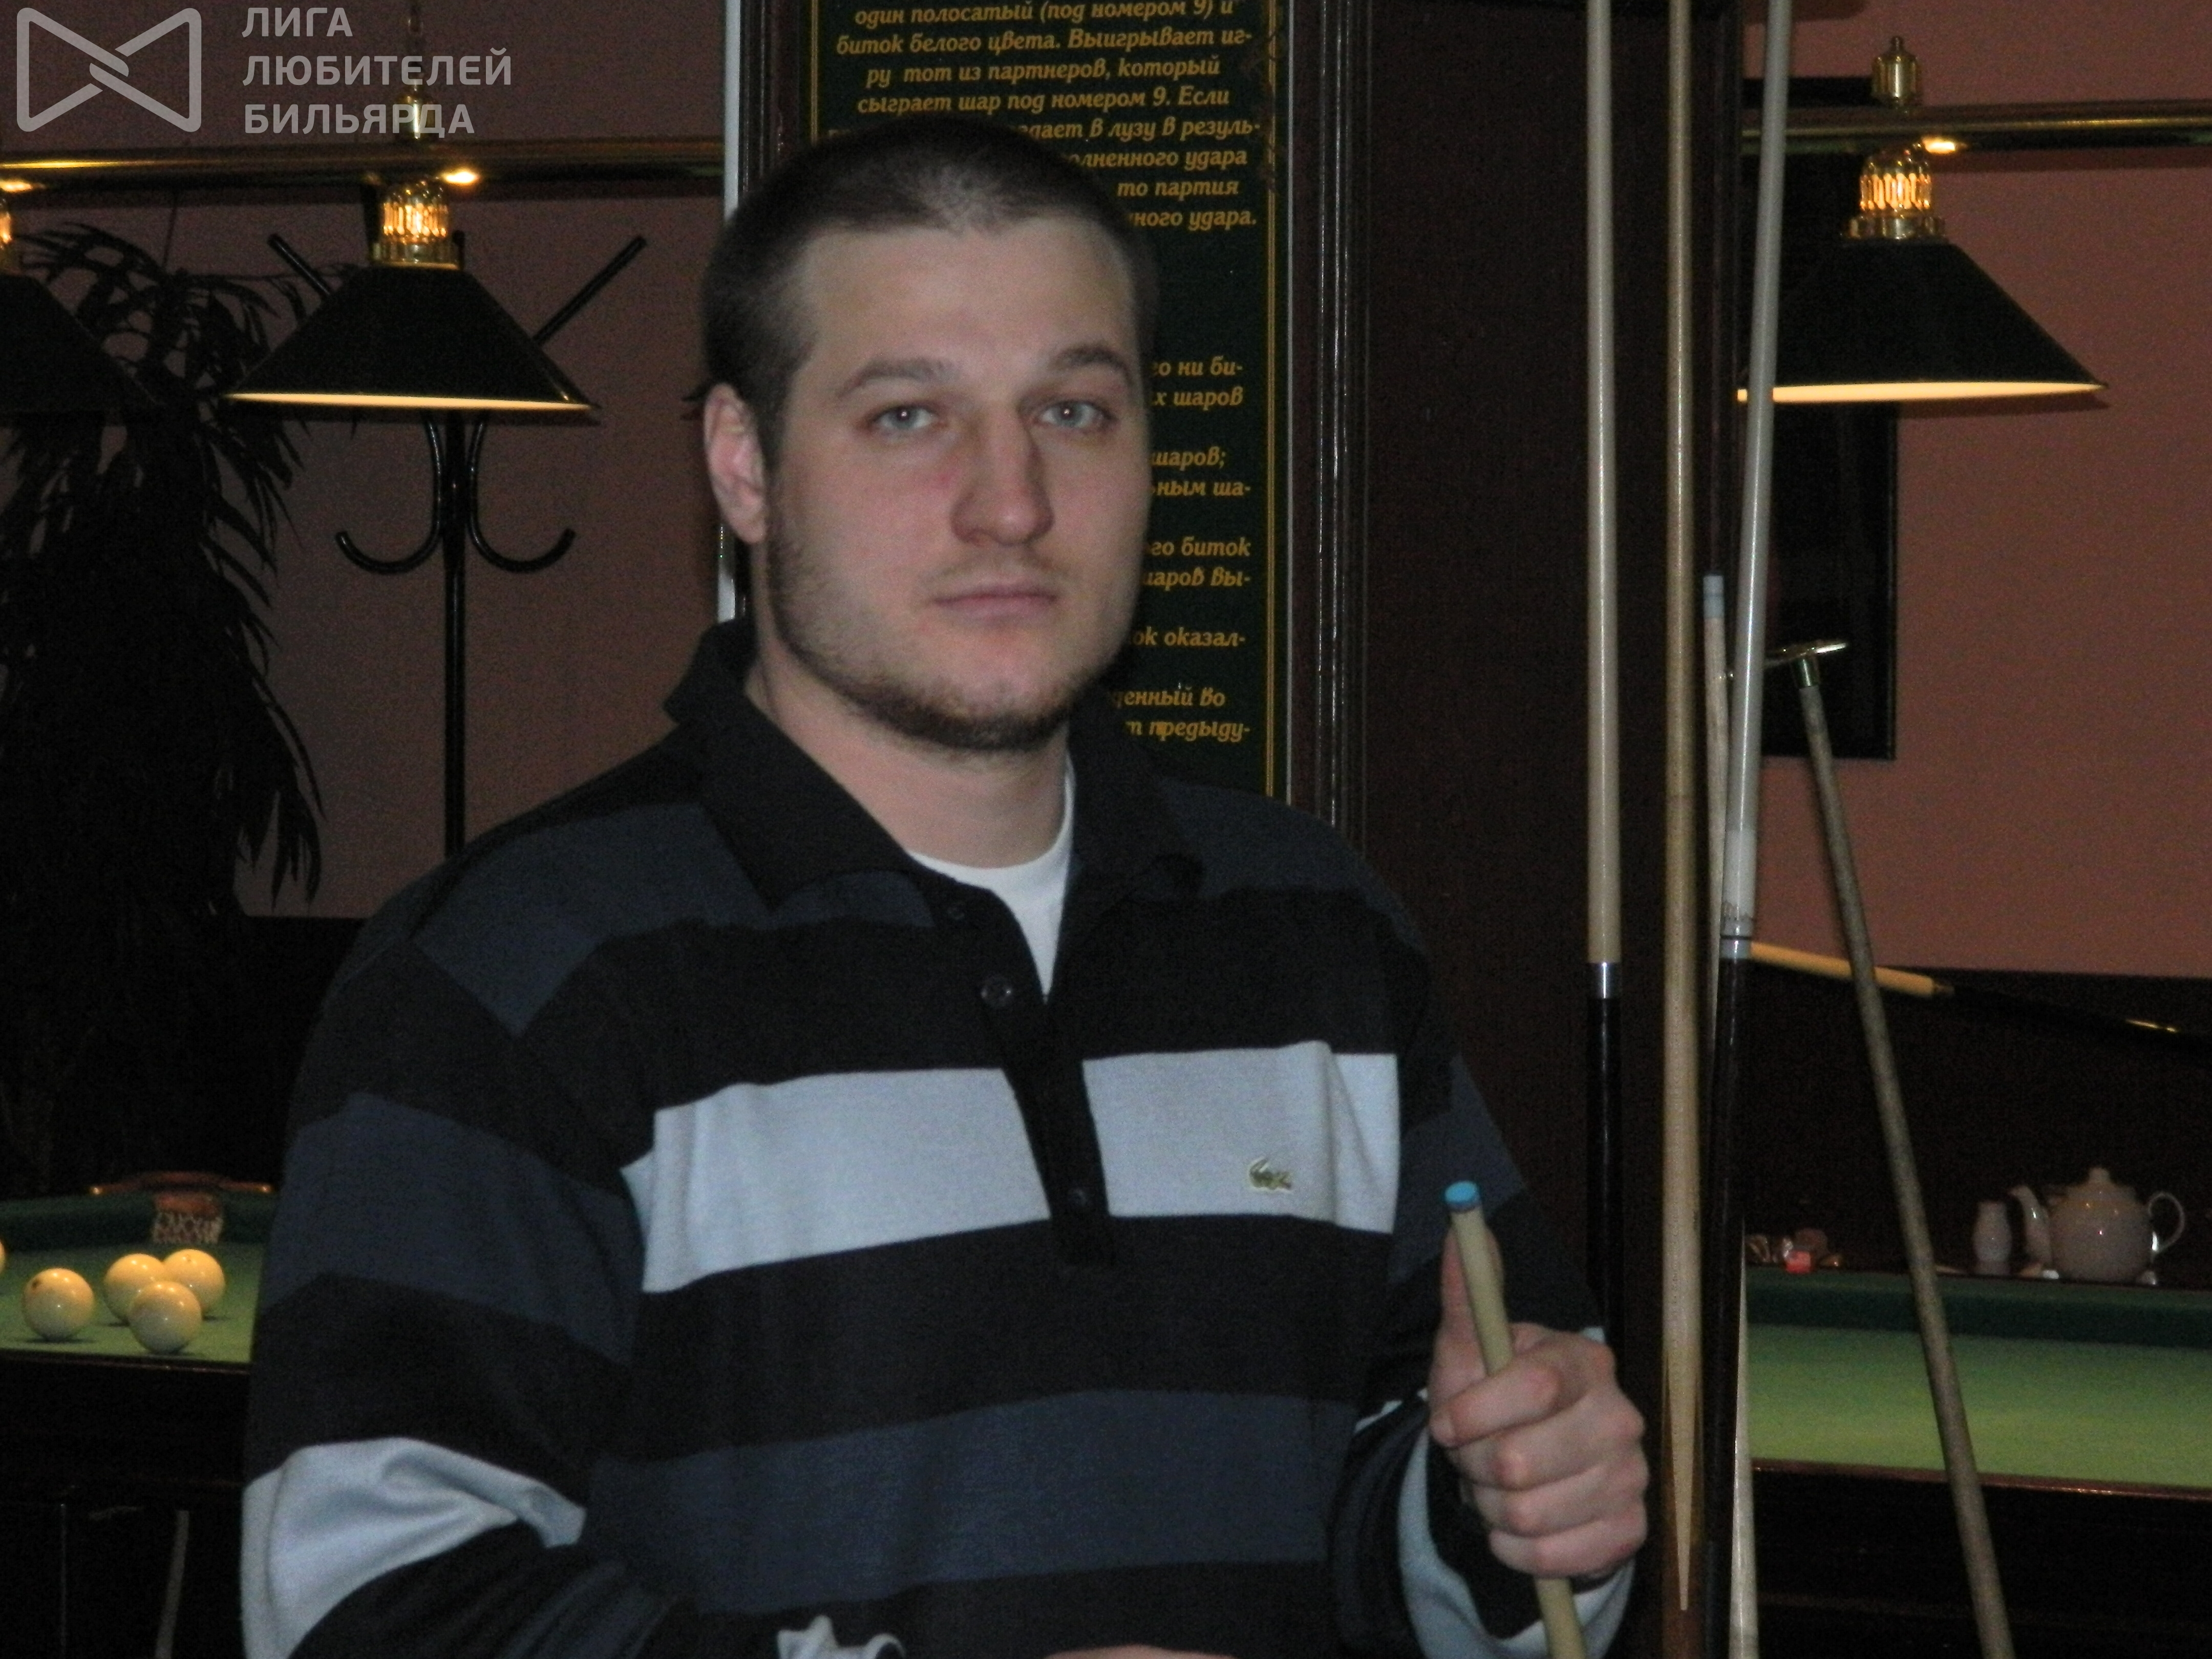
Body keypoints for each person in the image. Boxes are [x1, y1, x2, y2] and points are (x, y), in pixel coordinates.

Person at [241, 116, 1646, 1659]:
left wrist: (1512, 1515)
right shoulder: (514, 974)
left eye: (1073, 409)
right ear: (745, 466)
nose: (1012, 503)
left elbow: (1425, 1552)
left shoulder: (1319, 931)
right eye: (909, 416)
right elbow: (369, 1609)